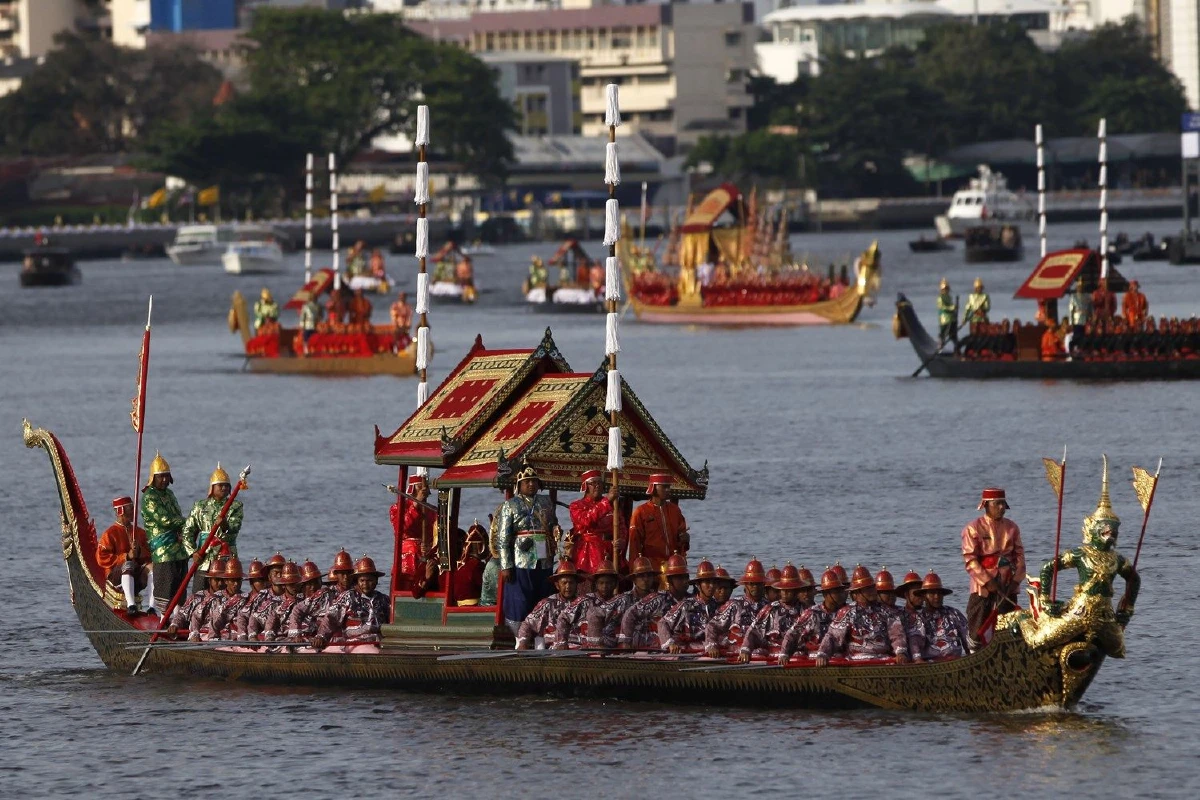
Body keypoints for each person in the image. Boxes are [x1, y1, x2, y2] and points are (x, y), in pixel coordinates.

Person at [496, 466, 562, 632]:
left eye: (533, 481)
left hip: (544, 557)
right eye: (527, 482)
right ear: (519, 484)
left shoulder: (546, 501)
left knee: (542, 597)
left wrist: (556, 529)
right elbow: (503, 538)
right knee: (520, 599)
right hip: (521, 558)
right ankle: (518, 635)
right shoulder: (510, 505)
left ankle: (541, 634)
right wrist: (506, 565)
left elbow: (553, 522)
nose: (531, 484)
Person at [961, 487, 1025, 651]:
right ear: (986, 505)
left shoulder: (1012, 528)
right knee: (978, 628)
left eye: (1003, 504)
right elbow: (970, 560)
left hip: (1007, 584)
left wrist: (1015, 581)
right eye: (997, 504)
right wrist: (988, 582)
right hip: (982, 586)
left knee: (1009, 627)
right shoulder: (973, 528)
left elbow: (1019, 557)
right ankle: (975, 655)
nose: (1001, 508)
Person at [814, 565, 909, 665]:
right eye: (868, 588)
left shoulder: (886, 611)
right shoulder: (847, 612)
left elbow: (897, 634)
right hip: (856, 661)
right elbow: (833, 636)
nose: (873, 591)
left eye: (873, 587)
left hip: (884, 659)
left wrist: (901, 652)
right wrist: (823, 654)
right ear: (858, 592)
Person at [182, 463, 244, 592]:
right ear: (212, 487)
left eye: (226, 485)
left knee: (229, 592)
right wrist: (193, 552)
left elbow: (235, 527)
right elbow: (187, 531)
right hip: (205, 556)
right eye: (220, 485)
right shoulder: (200, 506)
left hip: (227, 556)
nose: (223, 488)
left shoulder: (235, 506)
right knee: (199, 593)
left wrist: (224, 524)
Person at [141, 452, 188, 615]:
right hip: (163, 550)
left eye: (166, 476)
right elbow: (164, 519)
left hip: (179, 547)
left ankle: (178, 618)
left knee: (180, 584)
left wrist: (185, 527)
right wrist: (187, 521)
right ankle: (163, 618)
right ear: (153, 477)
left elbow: (177, 514)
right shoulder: (149, 496)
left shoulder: (170, 494)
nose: (164, 480)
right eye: (161, 476)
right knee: (166, 585)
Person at [313, 556, 390, 649]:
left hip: (380, 642)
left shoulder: (383, 599)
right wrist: (321, 636)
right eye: (362, 580)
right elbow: (331, 618)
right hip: (355, 643)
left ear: (376, 581)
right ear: (357, 581)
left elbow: (392, 620)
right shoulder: (348, 597)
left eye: (369, 580)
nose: (365, 584)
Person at [618, 552, 690, 650]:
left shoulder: (692, 600)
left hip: (681, 644)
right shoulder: (658, 599)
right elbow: (629, 614)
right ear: (669, 580)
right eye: (680, 578)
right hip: (650, 644)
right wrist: (625, 641)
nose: (646, 579)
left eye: (686, 577)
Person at [736, 564, 806, 662]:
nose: (784, 593)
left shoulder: (807, 610)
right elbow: (753, 632)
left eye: (789, 590)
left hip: (799, 655)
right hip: (773, 654)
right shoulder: (770, 608)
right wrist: (745, 650)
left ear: (797, 590)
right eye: (782, 590)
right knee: (757, 653)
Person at [778, 568, 848, 664]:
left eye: (841, 591)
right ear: (825, 593)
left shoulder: (847, 612)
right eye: (836, 592)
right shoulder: (812, 613)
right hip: (815, 659)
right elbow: (791, 634)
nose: (841, 594)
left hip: (841, 657)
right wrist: (784, 654)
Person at [587, 556, 657, 649]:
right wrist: (599, 644)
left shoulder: (661, 599)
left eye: (648, 576)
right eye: (641, 576)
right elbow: (596, 616)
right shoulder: (623, 599)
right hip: (628, 650)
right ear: (634, 579)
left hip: (656, 649)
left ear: (653, 578)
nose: (645, 579)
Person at [96, 496, 150, 614]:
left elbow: (149, 555)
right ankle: (131, 605)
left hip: (136, 575)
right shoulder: (109, 534)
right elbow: (101, 558)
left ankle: (152, 607)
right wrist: (126, 556)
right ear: (121, 511)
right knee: (128, 564)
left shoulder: (139, 532)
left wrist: (139, 551)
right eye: (131, 509)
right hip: (116, 577)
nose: (134, 512)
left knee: (152, 567)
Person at [704, 558, 768, 657]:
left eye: (758, 583)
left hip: (763, 650)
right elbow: (712, 626)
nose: (754, 586)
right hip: (737, 650)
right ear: (745, 584)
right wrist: (712, 646)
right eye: (751, 583)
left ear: (764, 584)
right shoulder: (734, 605)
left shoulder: (770, 607)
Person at [568, 469, 625, 576]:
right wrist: (606, 502)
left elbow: (621, 526)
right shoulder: (576, 506)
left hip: (610, 550)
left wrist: (621, 540)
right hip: (588, 553)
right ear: (585, 486)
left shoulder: (614, 504)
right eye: (593, 483)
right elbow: (586, 520)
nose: (597, 486)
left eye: (599, 483)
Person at [627, 474, 689, 573]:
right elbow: (634, 543)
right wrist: (633, 568)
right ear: (654, 488)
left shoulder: (675, 510)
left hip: (673, 565)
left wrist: (685, 539)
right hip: (650, 566)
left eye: (668, 487)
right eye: (664, 487)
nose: (668, 490)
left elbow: (682, 539)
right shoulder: (640, 512)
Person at [554, 559, 620, 649]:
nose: (605, 586)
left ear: (615, 584)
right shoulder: (585, 600)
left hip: (615, 649)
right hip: (587, 650)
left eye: (608, 583)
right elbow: (563, 617)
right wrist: (561, 642)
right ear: (596, 584)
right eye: (601, 583)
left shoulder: (622, 601)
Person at [658, 559, 721, 653]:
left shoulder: (718, 607)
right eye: (707, 582)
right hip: (686, 651)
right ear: (698, 585)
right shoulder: (686, 605)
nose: (711, 586)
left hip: (713, 650)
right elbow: (662, 623)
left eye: (714, 582)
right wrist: (670, 644)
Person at [516, 560, 580, 649]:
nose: (568, 586)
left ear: (576, 584)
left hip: (580, 650)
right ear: (557, 585)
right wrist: (523, 642)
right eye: (564, 583)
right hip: (554, 650)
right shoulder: (547, 603)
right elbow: (527, 624)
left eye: (571, 583)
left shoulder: (584, 603)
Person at [392, 474, 437, 593]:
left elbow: (437, 535)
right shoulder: (398, 507)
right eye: (419, 488)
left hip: (426, 557)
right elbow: (401, 527)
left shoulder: (433, 511)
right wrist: (416, 504)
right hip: (406, 560)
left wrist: (429, 546)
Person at [914, 572, 971, 659]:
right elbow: (915, 643)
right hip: (929, 665)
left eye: (939, 593)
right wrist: (917, 659)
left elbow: (967, 639)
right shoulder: (918, 617)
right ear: (924, 596)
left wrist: (972, 656)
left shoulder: (954, 614)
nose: (937, 596)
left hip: (956, 662)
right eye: (932, 593)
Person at [255, 561, 303, 643]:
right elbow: (261, 619)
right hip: (284, 637)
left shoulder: (306, 600)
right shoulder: (272, 601)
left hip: (306, 635)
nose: (279, 575)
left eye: (296, 583)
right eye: (276, 573)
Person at [286, 560, 334, 640]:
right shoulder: (294, 603)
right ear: (302, 586)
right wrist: (296, 635)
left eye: (316, 582)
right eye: (309, 584)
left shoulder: (326, 596)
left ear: (321, 582)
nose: (313, 587)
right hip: (303, 638)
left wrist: (320, 636)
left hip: (325, 635)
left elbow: (329, 616)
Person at [206, 558, 249, 640]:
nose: (236, 584)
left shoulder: (247, 598)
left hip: (241, 638)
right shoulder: (213, 598)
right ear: (226, 581)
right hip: (217, 638)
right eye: (233, 580)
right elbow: (196, 617)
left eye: (238, 580)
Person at [452, 523, 489, 605]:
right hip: (473, 607)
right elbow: (488, 589)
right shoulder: (477, 566)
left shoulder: (461, 564)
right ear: (481, 546)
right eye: (486, 544)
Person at [895, 569, 927, 660]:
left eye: (921, 594)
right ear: (906, 595)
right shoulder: (899, 616)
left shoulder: (927, 615)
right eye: (916, 594)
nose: (920, 598)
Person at [937, 279, 958, 344]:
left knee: (953, 334)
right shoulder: (940, 298)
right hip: (944, 319)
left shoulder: (949, 297)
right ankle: (940, 345)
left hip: (952, 318)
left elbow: (951, 306)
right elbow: (942, 307)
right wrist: (952, 308)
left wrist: (955, 308)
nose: (946, 290)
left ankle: (957, 348)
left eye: (947, 289)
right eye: (944, 289)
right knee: (943, 333)